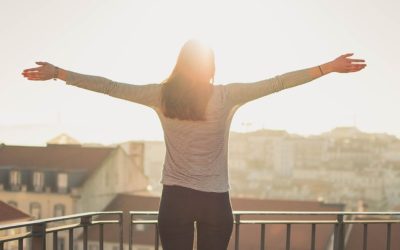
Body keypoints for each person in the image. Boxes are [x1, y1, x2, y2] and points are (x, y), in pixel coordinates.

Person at [22, 40, 366, 250]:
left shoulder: (160, 95)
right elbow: (277, 83)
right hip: (216, 202)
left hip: (175, 200)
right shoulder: (226, 95)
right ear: (211, 66)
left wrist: (60, 73)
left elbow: (110, 86)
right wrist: (327, 68)